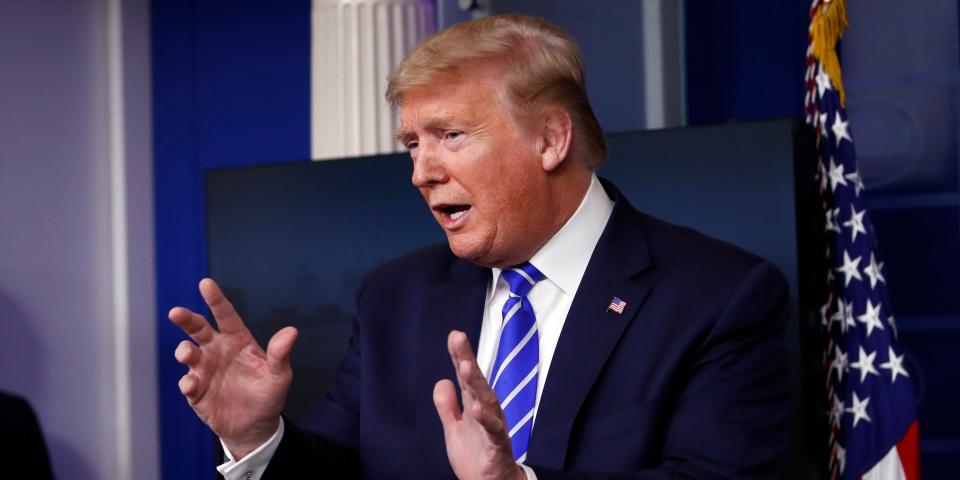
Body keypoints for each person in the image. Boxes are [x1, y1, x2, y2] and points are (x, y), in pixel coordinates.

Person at [169, 14, 792, 480]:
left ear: (550, 140)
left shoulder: (720, 296)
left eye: (452, 135)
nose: (421, 171)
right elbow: (338, 466)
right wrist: (257, 438)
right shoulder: (395, 296)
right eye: (413, 143)